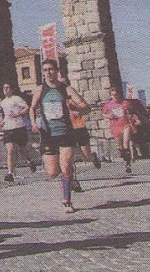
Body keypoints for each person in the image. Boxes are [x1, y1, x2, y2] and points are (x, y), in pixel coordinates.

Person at [30, 60, 90, 214]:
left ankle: (67, 200)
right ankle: (63, 182)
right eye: (45, 70)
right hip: (48, 134)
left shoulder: (66, 88)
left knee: (66, 167)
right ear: (42, 72)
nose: (48, 72)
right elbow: (32, 108)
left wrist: (75, 107)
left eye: (51, 69)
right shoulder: (39, 89)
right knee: (52, 172)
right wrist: (33, 123)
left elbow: (86, 107)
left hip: (66, 133)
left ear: (56, 71)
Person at [60, 79, 101, 193]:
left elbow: (86, 108)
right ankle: (74, 181)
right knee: (69, 158)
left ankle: (93, 157)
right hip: (65, 129)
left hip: (78, 126)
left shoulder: (71, 93)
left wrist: (77, 109)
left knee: (86, 155)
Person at [0, 83, 37, 183]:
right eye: (4, 88)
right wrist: (2, 122)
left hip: (19, 127)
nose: (5, 90)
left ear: (11, 90)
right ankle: (10, 173)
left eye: (7, 88)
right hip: (8, 128)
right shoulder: (2, 102)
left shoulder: (17, 98)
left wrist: (18, 114)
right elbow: (6, 116)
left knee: (22, 149)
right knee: (10, 150)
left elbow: (26, 107)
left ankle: (30, 161)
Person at [102, 87, 135, 174]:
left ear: (119, 95)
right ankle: (124, 157)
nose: (115, 97)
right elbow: (103, 114)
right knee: (120, 146)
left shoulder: (125, 103)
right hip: (115, 126)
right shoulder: (108, 105)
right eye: (113, 95)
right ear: (110, 96)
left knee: (126, 143)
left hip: (125, 125)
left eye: (116, 95)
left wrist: (130, 116)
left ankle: (128, 164)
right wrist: (109, 116)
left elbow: (131, 112)